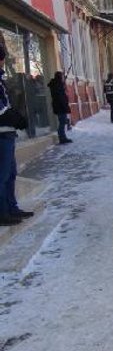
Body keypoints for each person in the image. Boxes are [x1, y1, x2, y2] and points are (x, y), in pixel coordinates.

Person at [0, 43, 33, 226]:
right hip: (1, 135)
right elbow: (2, 109)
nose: (3, 63)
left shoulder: (1, 80)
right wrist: (16, 118)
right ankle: (3, 212)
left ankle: (12, 208)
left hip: (7, 134)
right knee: (2, 176)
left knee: (11, 174)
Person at [47, 71, 73, 144]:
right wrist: (66, 107)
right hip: (61, 107)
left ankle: (62, 137)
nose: (62, 78)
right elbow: (61, 97)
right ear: (59, 77)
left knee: (62, 122)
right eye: (61, 76)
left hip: (58, 106)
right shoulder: (58, 86)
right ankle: (62, 138)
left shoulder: (56, 84)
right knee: (62, 122)